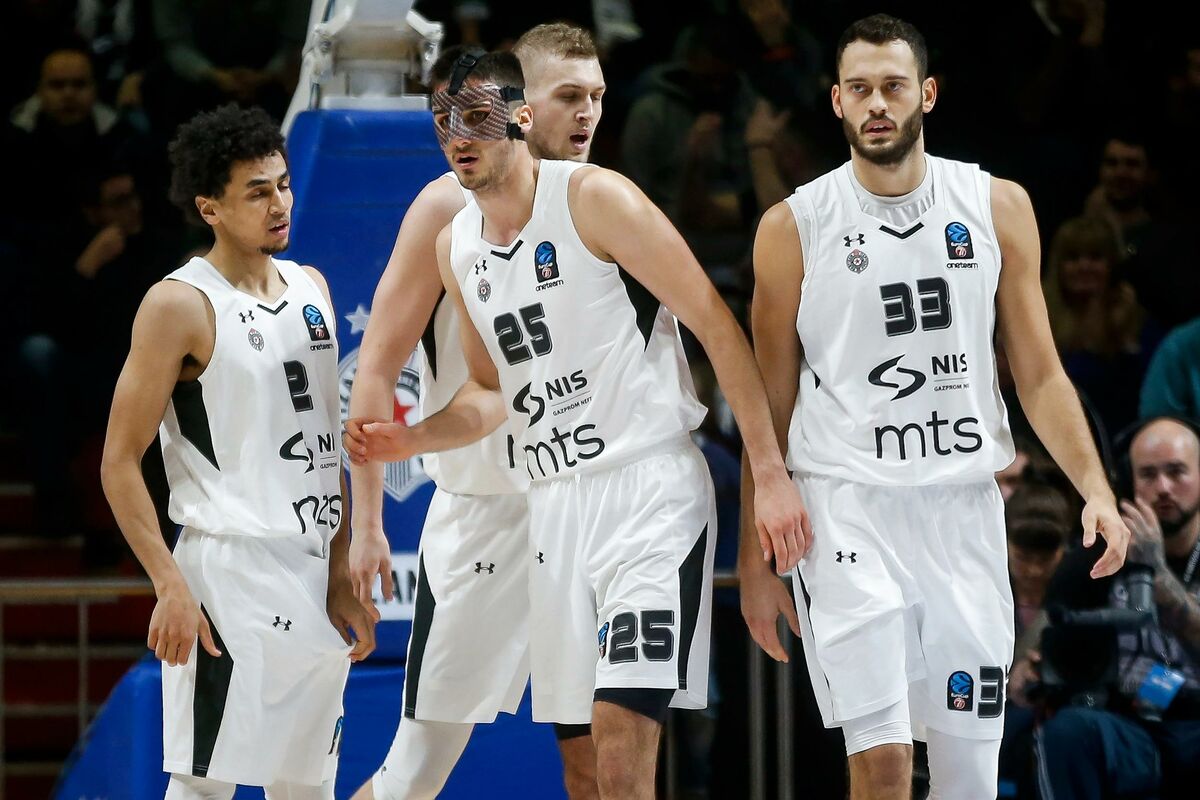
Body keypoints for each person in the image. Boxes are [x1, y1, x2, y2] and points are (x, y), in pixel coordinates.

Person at [346, 49, 806, 800]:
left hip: (646, 489)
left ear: (520, 117)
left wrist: (771, 475)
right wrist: (414, 437)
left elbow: (718, 328)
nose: (460, 135)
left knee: (621, 738)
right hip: (552, 506)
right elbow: (490, 392)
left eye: (478, 117)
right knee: (579, 763)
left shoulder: (597, 197)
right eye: (444, 121)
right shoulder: (455, 242)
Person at [742, 14, 1129, 799]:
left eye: (892, 86)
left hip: (962, 509)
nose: (876, 103)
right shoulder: (792, 227)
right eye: (859, 89)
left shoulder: (996, 205)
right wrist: (757, 559)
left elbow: (1039, 374)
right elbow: (769, 399)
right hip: (846, 508)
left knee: (967, 778)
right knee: (883, 759)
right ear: (837, 101)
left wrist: (1096, 487)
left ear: (927, 93)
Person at [343, 25, 608, 800]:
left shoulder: (600, 199)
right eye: (567, 97)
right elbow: (375, 368)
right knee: (413, 774)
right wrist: (367, 524)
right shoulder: (444, 208)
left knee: (602, 760)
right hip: (485, 509)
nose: (585, 114)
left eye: (595, 97)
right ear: (516, 103)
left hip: (583, 506)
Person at [99, 104, 374, 800]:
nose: (279, 203)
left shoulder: (312, 288)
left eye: (282, 184)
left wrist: (340, 568)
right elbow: (120, 460)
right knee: (205, 785)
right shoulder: (179, 304)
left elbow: (326, 446)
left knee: (306, 787)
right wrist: (169, 582)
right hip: (228, 572)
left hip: (309, 566)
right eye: (257, 192)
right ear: (210, 208)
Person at [1034, 416, 1200, 799]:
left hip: (1195, 720)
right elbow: (1048, 626)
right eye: (1148, 475)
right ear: (1128, 481)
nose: (1163, 488)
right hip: (1129, 723)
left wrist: (1156, 572)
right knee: (1067, 731)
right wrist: (1032, 666)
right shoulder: (1104, 550)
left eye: (1176, 472)